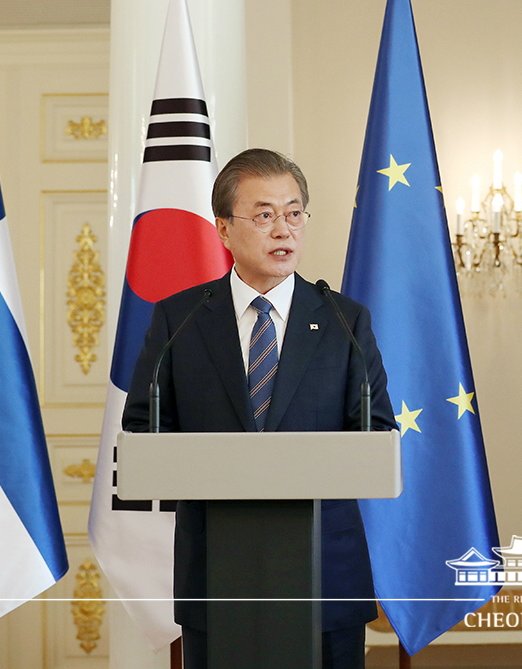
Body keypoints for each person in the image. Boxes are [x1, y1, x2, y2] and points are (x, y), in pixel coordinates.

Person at [123, 148, 395, 669]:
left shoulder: (344, 322)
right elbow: (143, 431)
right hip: (218, 576)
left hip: (324, 576)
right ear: (223, 229)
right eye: (264, 215)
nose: (283, 230)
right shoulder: (181, 320)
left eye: (294, 213)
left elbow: (375, 434)